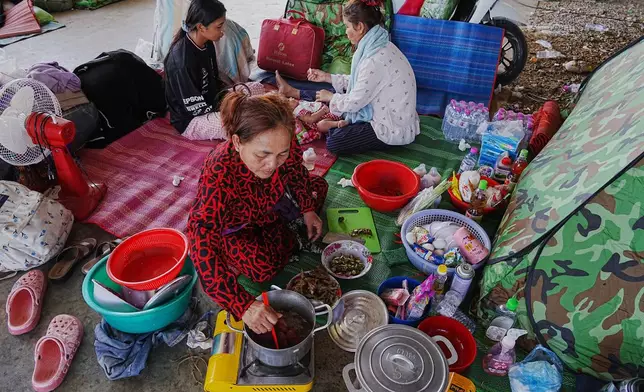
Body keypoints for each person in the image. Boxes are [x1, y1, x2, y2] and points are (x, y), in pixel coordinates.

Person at [187, 91, 328, 334]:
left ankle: (292, 231)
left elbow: (295, 171)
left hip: (271, 207)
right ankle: (290, 236)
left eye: (281, 154)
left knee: (318, 189)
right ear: (237, 142)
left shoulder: (282, 141)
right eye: (262, 155)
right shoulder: (219, 171)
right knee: (262, 268)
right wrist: (243, 306)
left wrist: (307, 209)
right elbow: (200, 238)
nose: (273, 165)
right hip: (238, 227)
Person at [276, 0, 420, 155]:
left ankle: (337, 122)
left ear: (360, 27)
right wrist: (327, 77)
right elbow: (361, 82)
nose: (346, 31)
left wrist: (332, 98)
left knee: (335, 142)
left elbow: (355, 102)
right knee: (332, 92)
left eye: (347, 26)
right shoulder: (379, 45)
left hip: (391, 127)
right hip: (383, 110)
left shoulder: (374, 59)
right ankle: (294, 92)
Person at [164, 0, 264, 141]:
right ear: (201, 27)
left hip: (214, 102)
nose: (223, 32)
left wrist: (231, 99)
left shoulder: (207, 43)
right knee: (243, 121)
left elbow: (214, 82)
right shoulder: (182, 61)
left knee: (257, 88)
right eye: (219, 27)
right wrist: (233, 105)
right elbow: (194, 107)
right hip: (192, 120)